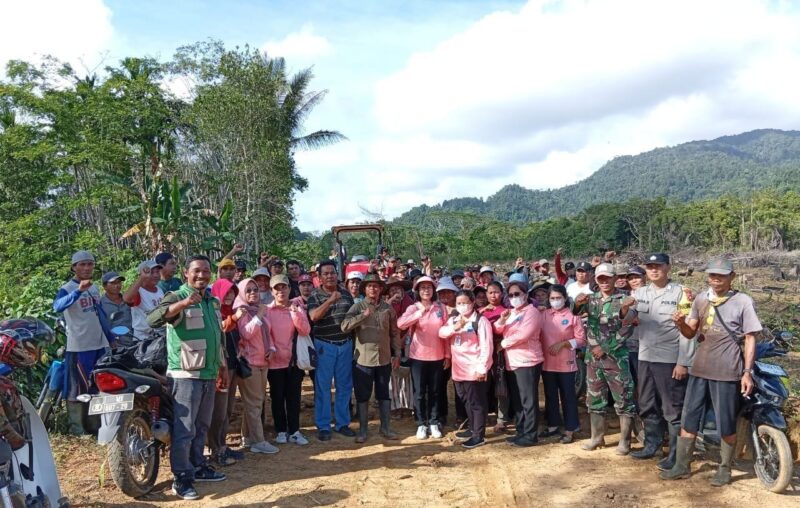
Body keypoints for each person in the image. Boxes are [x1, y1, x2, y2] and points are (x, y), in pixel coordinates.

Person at [662, 258, 760, 487]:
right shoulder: (700, 299)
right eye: (712, 275)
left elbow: (750, 338)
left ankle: (725, 468)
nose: (716, 279)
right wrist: (680, 323)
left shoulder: (743, 301)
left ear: (732, 277)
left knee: (726, 422)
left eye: (721, 275)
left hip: (727, 371)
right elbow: (690, 333)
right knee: (689, 419)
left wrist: (747, 372)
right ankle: (681, 466)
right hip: (699, 368)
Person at [147, 255, 229, 500]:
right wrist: (183, 304)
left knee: (201, 425)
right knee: (184, 429)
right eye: (197, 271)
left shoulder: (212, 301)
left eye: (206, 271)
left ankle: (198, 466)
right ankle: (181, 477)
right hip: (185, 374)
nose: (201, 275)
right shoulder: (176, 296)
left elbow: (217, 336)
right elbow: (153, 319)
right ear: (186, 273)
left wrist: (223, 366)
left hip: (208, 373)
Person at [627, 254, 696, 471]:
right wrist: (624, 308)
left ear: (668, 267)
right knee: (647, 403)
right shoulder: (640, 293)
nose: (654, 270)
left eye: (658, 266)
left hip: (669, 359)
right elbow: (627, 319)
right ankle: (652, 446)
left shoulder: (682, 293)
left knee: (672, 408)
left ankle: (675, 455)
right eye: (650, 267)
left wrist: (683, 362)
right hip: (645, 356)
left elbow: (688, 331)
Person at [573, 263, 637, 455]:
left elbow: (627, 328)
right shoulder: (591, 299)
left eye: (608, 278)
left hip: (616, 359)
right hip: (593, 360)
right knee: (594, 399)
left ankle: (625, 442)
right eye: (600, 278)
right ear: (596, 279)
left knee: (623, 399)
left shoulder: (625, 299)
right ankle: (597, 437)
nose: (604, 282)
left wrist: (605, 348)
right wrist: (577, 303)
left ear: (615, 278)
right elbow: (575, 313)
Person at [53, 250, 113, 435]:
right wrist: (79, 291)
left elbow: (99, 314)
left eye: (90, 264)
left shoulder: (94, 289)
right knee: (76, 386)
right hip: (79, 345)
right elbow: (57, 306)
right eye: (82, 264)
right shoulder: (67, 288)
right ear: (74, 267)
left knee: (97, 385)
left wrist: (110, 338)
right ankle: (77, 429)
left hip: (98, 344)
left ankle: (95, 426)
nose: (87, 268)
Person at [341, 274, 403, 443]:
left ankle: (386, 428)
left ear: (381, 289)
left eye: (376, 286)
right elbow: (344, 326)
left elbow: (394, 333)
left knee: (383, 394)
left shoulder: (387, 309)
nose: (373, 289)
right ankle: (363, 430)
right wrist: (363, 315)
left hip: (384, 359)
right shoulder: (357, 307)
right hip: (363, 360)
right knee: (363, 395)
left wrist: (397, 354)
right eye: (369, 286)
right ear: (364, 289)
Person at [307, 260, 356, 440]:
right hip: (324, 345)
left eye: (332, 272)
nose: (330, 276)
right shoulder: (314, 296)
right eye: (326, 273)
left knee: (344, 386)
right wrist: (330, 300)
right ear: (319, 278)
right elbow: (313, 317)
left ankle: (342, 423)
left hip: (345, 344)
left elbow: (352, 318)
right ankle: (323, 426)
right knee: (323, 387)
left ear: (337, 274)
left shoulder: (346, 294)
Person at [439, 290, 493, 449]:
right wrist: (456, 327)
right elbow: (441, 333)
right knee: (466, 400)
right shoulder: (454, 319)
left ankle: (478, 436)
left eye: (465, 302)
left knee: (477, 403)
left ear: (473, 302)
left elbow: (486, 347)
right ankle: (472, 428)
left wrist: (482, 368)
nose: (462, 306)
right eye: (459, 303)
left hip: (473, 369)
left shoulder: (481, 321)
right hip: (458, 370)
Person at [397, 276, 450, 440]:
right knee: (419, 392)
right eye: (422, 288)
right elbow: (401, 324)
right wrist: (419, 313)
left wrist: (447, 355)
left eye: (429, 287)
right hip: (418, 356)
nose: (426, 290)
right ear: (417, 291)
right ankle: (421, 423)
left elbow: (447, 333)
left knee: (435, 391)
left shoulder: (441, 308)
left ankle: (433, 422)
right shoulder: (413, 308)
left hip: (437, 356)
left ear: (433, 290)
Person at [494, 278, 544, 447]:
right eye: (511, 295)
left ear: (525, 295)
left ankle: (530, 434)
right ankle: (521, 430)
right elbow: (497, 328)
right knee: (518, 400)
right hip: (512, 361)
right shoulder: (511, 312)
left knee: (528, 400)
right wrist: (502, 319)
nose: (514, 297)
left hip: (528, 361)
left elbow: (524, 334)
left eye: (517, 294)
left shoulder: (532, 312)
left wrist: (503, 344)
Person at [233, 278, 279, 454]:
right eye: (248, 290)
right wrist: (259, 315)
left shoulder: (260, 310)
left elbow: (268, 332)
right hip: (249, 363)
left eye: (255, 290)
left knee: (255, 403)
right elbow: (246, 334)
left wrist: (272, 348)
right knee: (254, 404)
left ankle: (247, 438)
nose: (253, 293)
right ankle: (259, 441)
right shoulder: (242, 311)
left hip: (263, 362)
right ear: (242, 293)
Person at [266, 274, 312, 446]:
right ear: (272, 291)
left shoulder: (296, 308)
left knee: (294, 398)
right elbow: (266, 334)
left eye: (283, 287)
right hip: (274, 363)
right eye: (277, 288)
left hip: (294, 362)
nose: (281, 291)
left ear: (289, 289)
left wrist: (295, 313)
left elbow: (305, 330)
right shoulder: (267, 311)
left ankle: (294, 431)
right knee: (277, 398)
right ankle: (280, 430)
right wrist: (272, 349)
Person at [207, 277, 246, 466]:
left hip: (232, 366)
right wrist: (235, 318)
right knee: (218, 411)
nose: (230, 295)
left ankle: (222, 445)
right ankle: (215, 449)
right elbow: (218, 330)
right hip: (219, 367)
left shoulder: (230, 311)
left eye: (233, 292)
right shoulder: (213, 312)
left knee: (228, 409)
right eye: (227, 292)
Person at [540, 285, 586, 444]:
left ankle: (570, 428)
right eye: (552, 298)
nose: (555, 301)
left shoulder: (573, 315)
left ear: (565, 298)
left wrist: (564, 343)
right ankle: (553, 425)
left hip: (566, 364)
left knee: (568, 396)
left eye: (558, 298)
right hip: (547, 363)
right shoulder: (544, 314)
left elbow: (581, 340)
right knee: (550, 395)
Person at [481, 281, 511, 433]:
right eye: (490, 292)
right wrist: (481, 311)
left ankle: (502, 418)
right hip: (482, 353)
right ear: (486, 294)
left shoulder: (507, 311)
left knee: (501, 386)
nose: (494, 295)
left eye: (497, 292)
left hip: (500, 353)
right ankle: (482, 416)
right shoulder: (480, 312)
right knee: (482, 385)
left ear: (502, 293)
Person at [123, 260, 165, 341]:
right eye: (151, 272)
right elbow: (126, 299)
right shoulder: (138, 291)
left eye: (157, 272)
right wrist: (141, 278)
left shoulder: (159, 290)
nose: (156, 275)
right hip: (143, 339)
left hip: (159, 336)